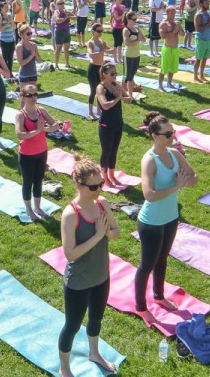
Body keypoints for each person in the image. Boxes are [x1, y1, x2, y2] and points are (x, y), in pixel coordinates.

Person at [57, 159, 122, 377]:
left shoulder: (102, 203)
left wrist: (105, 233)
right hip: (78, 282)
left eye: (101, 184)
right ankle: (64, 368)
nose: (98, 190)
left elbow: (115, 232)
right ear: (79, 185)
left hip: (101, 275)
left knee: (96, 319)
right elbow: (70, 253)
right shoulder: (70, 214)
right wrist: (97, 236)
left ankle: (94, 353)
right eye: (93, 186)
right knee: (73, 326)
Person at [135, 112, 198, 324]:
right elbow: (149, 195)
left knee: (162, 259)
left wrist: (185, 182)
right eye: (168, 134)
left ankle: (159, 296)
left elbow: (193, 176)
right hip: (151, 221)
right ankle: (141, 307)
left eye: (173, 132)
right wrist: (177, 186)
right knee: (147, 265)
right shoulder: (149, 160)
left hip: (171, 217)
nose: (172, 137)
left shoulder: (174, 154)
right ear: (154, 136)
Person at [16, 86, 62, 221]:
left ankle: (38, 207)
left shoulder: (41, 110)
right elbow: (19, 135)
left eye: (35, 95)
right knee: (27, 182)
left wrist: (45, 129)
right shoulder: (20, 115)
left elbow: (56, 125)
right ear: (23, 96)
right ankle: (29, 210)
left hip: (42, 152)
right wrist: (38, 130)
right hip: (27, 155)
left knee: (38, 181)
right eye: (29, 95)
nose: (33, 98)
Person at [95, 62, 131, 189]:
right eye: (112, 74)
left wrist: (123, 96)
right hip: (106, 125)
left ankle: (112, 175)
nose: (115, 76)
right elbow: (105, 105)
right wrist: (118, 98)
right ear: (104, 75)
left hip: (117, 123)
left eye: (116, 73)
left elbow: (129, 99)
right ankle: (104, 178)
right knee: (106, 152)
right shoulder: (100, 88)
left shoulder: (116, 85)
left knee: (114, 151)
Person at [85, 23, 110, 120]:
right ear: (93, 32)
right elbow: (90, 54)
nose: (100, 33)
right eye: (98, 31)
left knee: (101, 90)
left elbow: (108, 50)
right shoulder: (90, 42)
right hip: (93, 68)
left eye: (101, 31)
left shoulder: (101, 42)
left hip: (101, 68)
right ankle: (90, 112)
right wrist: (101, 51)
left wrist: (117, 49)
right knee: (93, 91)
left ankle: (99, 110)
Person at [157, 7, 184, 92]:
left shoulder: (177, 23)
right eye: (172, 12)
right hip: (167, 48)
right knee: (164, 68)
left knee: (172, 68)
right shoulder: (163, 24)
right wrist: (173, 31)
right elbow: (163, 36)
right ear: (167, 13)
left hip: (175, 48)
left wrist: (179, 28)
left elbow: (182, 34)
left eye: (174, 12)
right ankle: (160, 85)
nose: (173, 14)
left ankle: (169, 82)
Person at [121, 11, 144, 95]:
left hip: (136, 55)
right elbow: (127, 43)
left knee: (131, 76)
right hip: (128, 55)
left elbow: (143, 38)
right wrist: (138, 40)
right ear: (128, 19)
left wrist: (140, 39)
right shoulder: (126, 30)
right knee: (126, 77)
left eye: (136, 19)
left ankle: (129, 94)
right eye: (133, 19)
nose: (135, 21)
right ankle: (125, 94)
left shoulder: (137, 28)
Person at [192, 0, 210, 83]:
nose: (207, 4)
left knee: (205, 59)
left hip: (208, 39)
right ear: (200, 4)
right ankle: (195, 76)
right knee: (198, 59)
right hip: (201, 39)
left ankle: (202, 75)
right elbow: (198, 29)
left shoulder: (209, 14)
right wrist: (209, 23)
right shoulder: (198, 15)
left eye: (208, 2)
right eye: (206, 3)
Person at [15, 25, 41, 92]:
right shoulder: (19, 46)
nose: (30, 35)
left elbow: (39, 60)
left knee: (33, 95)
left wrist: (35, 54)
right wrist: (32, 55)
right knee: (24, 97)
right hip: (24, 74)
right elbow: (21, 63)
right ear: (22, 35)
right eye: (28, 33)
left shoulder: (33, 45)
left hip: (33, 73)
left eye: (31, 33)